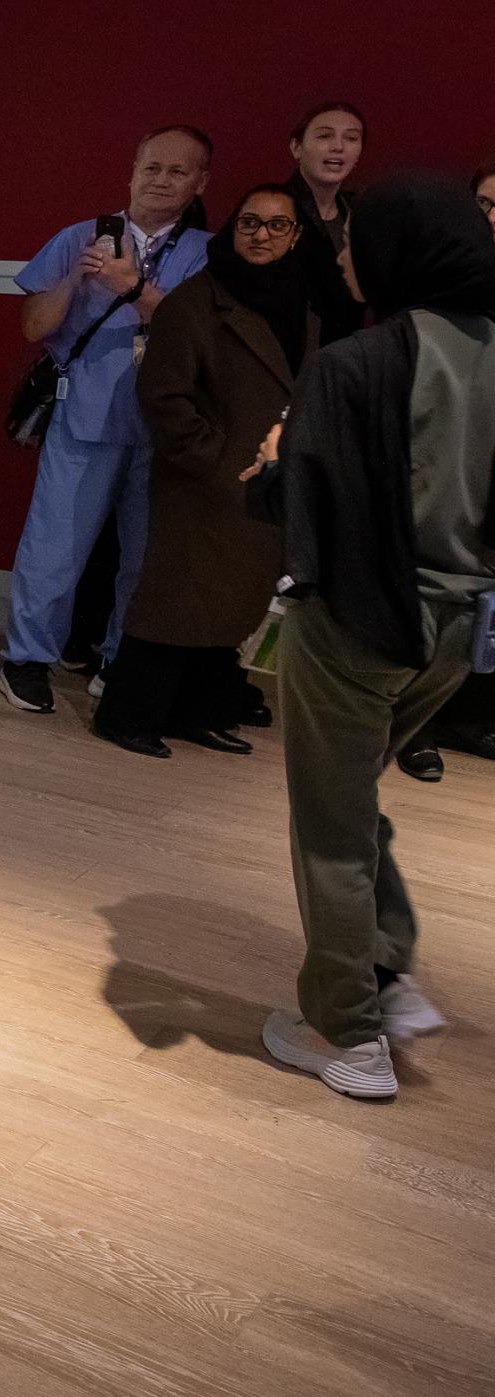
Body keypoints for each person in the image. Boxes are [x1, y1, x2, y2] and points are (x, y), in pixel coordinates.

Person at [254, 174, 494, 1099]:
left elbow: (305, 511)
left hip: (357, 625)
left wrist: (271, 465)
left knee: (331, 827)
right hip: (458, 631)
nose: (344, 254)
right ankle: (387, 977)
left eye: (356, 240)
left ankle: (346, 1032)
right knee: (352, 803)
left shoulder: (354, 364)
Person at [0, 127, 214, 714]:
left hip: (168, 425)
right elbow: (34, 327)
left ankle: (121, 660)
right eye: (152, 167)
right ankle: (26, 659)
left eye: (177, 171)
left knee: (146, 555)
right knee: (55, 546)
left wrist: (133, 286)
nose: (162, 180)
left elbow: (205, 336)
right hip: (85, 414)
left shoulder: (208, 253)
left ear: (200, 183)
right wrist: (75, 278)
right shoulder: (78, 237)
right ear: (132, 171)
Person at [94, 184, 313, 757]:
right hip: (205, 484)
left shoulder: (299, 305)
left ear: (295, 237)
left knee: (233, 606)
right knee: (174, 604)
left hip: (263, 482)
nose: (261, 234)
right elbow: (163, 394)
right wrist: (211, 459)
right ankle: (128, 714)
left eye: (276, 225)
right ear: (230, 230)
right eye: (249, 223)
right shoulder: (197, 302)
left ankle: (199, 711)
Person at [399, 161, 495, 779]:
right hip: (444, 446)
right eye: (486, 202)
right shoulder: (440, 270)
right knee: (432, 582)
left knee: (484, 592)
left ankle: (469, 716)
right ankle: (413, 728)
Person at [285, 102, 368, 345]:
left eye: (351, 138)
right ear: (296, 147)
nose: (338, 147)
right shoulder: (271, 209)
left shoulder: (361, 214)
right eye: (324, 136)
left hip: (345, 357)